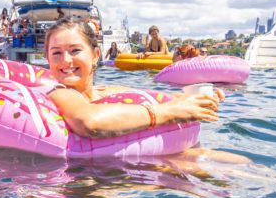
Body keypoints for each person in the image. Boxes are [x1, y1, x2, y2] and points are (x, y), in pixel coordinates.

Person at [44, 17, 224, 138]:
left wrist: (199, 98)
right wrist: (170, 112)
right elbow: (89, 121)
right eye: (56, 53)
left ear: (95, 54)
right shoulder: (61, 93)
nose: (66, 60)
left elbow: (154, 96)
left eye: (75, 50)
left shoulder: (106, 91)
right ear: (48, 59)